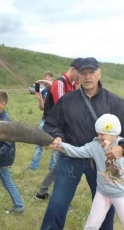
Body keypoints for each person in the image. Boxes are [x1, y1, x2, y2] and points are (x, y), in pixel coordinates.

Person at [34, 57, 124, 230]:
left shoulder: (115, 102)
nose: (87, 77)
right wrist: (57, 136)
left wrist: (122, 148)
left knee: (106, 203)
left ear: (99, 73)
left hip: (102, 163)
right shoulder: (67, 100)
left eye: (91, 72)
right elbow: (52, 123)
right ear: (78, 75)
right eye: (83, 73)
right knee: (58, 200)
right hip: (71, 158)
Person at [34, 58, 83, 200]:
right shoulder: (60, 84)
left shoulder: (72, 84)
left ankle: (43, 192)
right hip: (58, 129)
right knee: (64, 161)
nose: (81, 78)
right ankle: (53, 194)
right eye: (80, 73)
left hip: (66, 128)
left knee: (62, 161)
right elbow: (65, 108)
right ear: (73, 69)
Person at [28, 71, 56, 171]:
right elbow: (42, 108)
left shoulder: (56, 89)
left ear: (52, 80)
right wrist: (40, 99)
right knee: (39, 142)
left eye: (46, 80)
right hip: (44, 119)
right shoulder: (44, 92)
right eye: (43, 81)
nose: (44, 82)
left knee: (55, 144)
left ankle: (52, 167)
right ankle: (34, 166)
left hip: (55, 121)